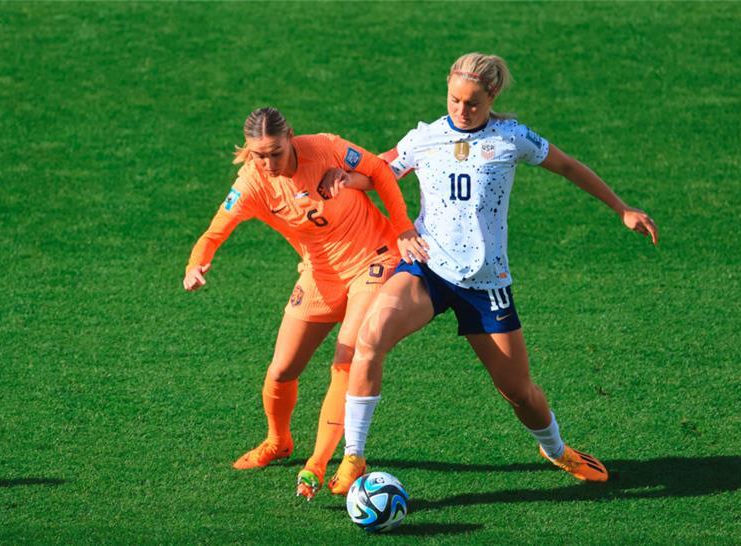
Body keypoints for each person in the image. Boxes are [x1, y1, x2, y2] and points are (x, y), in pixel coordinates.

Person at [324, 53, 659, 494]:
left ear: (492, 96)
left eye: (473, 103)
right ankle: (354, 456)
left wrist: (622, 208)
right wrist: (344, 177)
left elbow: (569, 166)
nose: (462, 111)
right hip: (427, 268)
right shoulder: (424, 138)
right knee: (370, 339)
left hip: (486, 284)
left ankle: (557, 450)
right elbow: (379, 172)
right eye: (455, 100)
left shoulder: (511, 138)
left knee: (518, 392)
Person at [183, 107, 427, 500]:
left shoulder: (327, 148)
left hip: (374, 259)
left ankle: (317, 463)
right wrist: (197, 264)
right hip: (319, 275)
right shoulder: (251, 184)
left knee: (346, 357)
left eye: (275, 152)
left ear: (291, 138)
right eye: (258, 154)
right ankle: (278, 441)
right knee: (281, 371)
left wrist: (402, 228)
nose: (267, 162)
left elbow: (381, 172)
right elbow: (214, 233)